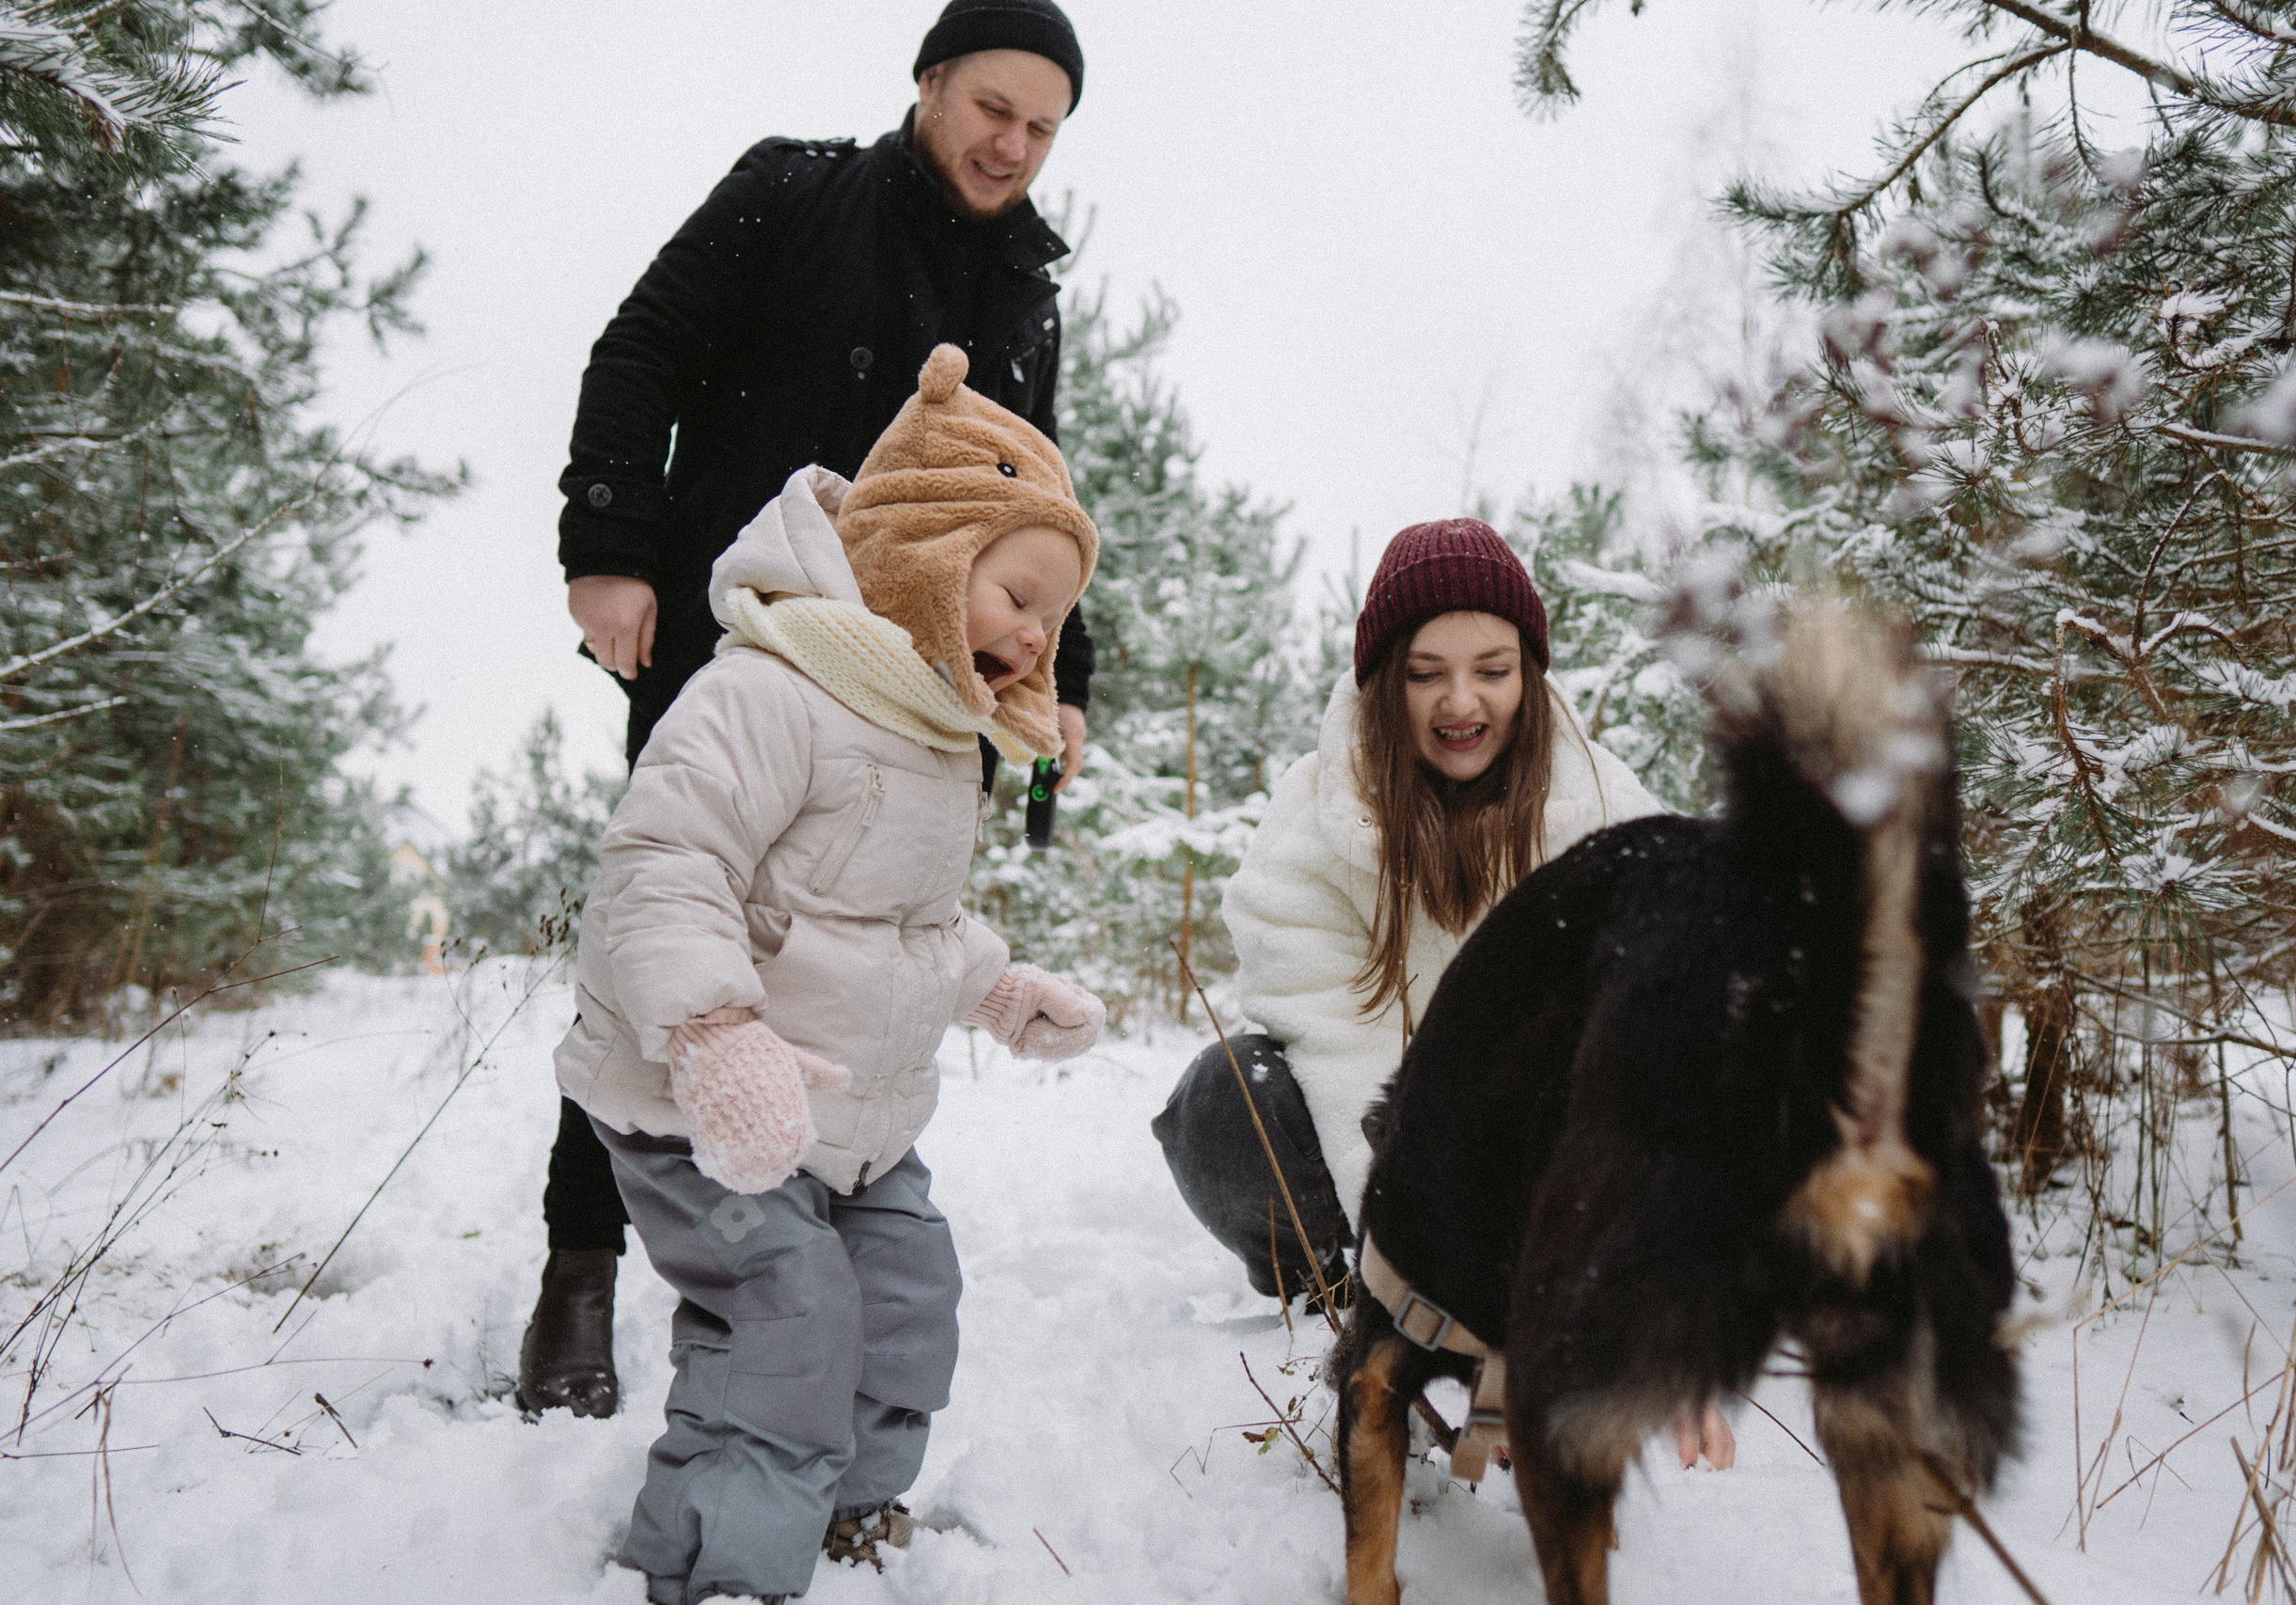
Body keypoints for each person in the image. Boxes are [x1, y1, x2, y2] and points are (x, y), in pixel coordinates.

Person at [524, 0, 1095, 1420]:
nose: (1011, 144)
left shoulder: (1028, 290)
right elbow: (641, 350)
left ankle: (780, 1293)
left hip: (913, 687)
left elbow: (1042, 506)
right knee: (670, 933)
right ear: (931, 84)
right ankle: (580, 1267)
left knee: (850, 958)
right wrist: (609, 546)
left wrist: (1057, 685)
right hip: (747, 633)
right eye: (992, 108)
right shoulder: (794, 188)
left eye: (1041, 126)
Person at [556, 347, 1106, 1602]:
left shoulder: (930, 730)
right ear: (923, 547)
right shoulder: (767, 689)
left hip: (848, 1117)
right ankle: (717, 1561)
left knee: (910, 1286)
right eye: (1016, 590)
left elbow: (907, 922)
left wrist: (997, 986)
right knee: (792, 1306)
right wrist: (714, 1034)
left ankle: (848, 1508)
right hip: (699, 1104)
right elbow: (662, 862)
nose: (1035, 631)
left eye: (1051, 614)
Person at [1151, 517, 1738, 1470]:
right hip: (1384, 1154)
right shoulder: (1311, 816)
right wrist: (1413, 1293)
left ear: (1531, 675)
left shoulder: (1605, 810)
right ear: (1385, 681)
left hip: (1551, 1162)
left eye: (1492, 669)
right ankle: (1333, 1285)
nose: (1460, 702)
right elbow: (1346, 1059)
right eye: (1425, 672)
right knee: (1229, 1095)